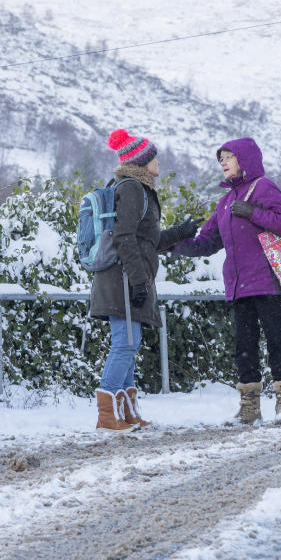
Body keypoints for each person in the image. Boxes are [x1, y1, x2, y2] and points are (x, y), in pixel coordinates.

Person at [174, 137, 281, 424]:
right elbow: (206, 243)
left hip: (268, 282)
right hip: (238, 286)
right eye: (221, 159)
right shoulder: (226, 202)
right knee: (244, 346)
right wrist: (169, 243)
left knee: (277, 341)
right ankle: (249, 407)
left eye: (229, 157)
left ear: (245, 159)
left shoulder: (263, 188)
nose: (224, 163)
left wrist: (253, 213)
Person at [89, 128, 200, 433]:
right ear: (141, 161)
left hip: (128, 277)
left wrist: (181, 232)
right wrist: (137, 281)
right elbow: (124, 237)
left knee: (129, 344)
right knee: (124, 345)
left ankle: (127, 413)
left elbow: (146, 241)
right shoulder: (132, 189)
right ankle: (106, 416)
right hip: (121, 279)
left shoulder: (139, 190)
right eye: (155, 159)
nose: (159, 164)